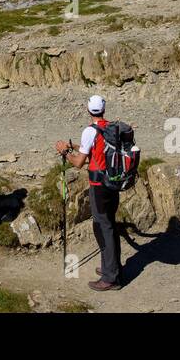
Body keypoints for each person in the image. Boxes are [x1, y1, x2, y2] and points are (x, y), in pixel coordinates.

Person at [56, 95, 121, 291]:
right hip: (112, 183)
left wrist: (64, 152)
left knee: (103, 227)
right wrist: (75, 146)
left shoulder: (89, 130)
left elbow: (79, 162)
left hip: (98, 185)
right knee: (109, 224)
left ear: (87, 110)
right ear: (103, 109)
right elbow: (94, 149)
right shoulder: (110, 127)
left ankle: (110, 278)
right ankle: (112, 268)